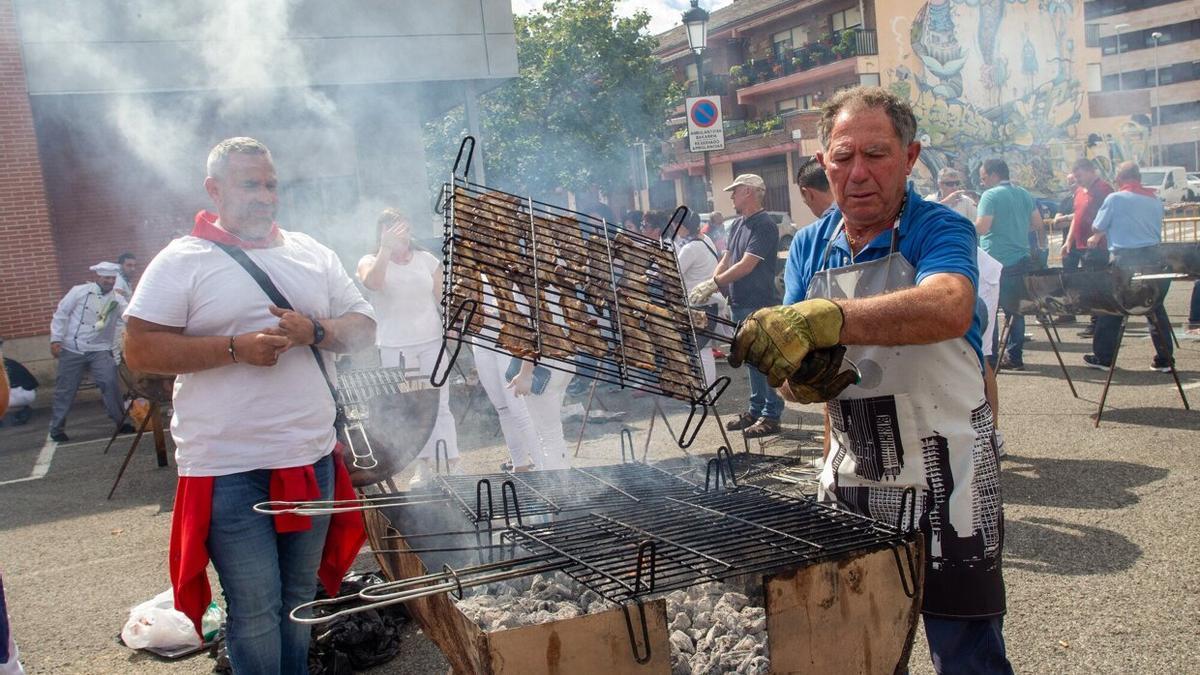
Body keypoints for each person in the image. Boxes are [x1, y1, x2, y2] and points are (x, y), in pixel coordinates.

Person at [764, 86, 1010, 673]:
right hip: (851, 476)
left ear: (910, 156)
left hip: (951, 474)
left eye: (876, 154)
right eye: (842, 156)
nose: (858, 172)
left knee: (966, 651)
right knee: (861, 648)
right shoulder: (808, 245)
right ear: (824, 162)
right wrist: (793, 380)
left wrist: (829, 317)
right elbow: (794, 366)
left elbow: (948, 306)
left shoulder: (941, 228)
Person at [123, 137, 376, 672]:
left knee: (299, 597)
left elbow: (364, 329)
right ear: (214, 190)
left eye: (270, 184)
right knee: (256, 608)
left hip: (309, 457)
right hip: (229, 466)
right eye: (249, 184)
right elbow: (139, 349)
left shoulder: (312, 251)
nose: (264, 196)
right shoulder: (182, 259)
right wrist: (234, 349)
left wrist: (315, 330)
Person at [358, 208, 459, 482]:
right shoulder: (369, 260)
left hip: (431, 342)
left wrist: (455, 327)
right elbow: (374, 284)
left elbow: (444, 299)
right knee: (412, 409)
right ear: (380, 232)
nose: (396, 233)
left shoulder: (426, 260)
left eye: (400, 227)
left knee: (441, 404)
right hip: (396, 347)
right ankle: (424, 466)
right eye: (389, 228)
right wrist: (385, 250)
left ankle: (452, 463)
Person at [690, 174, 781, 438]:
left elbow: (747, 264)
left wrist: (715, 282)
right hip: (740, 301)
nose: (731, 196)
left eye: (736, 191)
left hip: (759, 301)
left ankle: (771, 414)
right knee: (751, 361)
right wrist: (713, 283)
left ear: (750, 192)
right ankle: (755, 410)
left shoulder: (764, 225)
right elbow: (728, 258)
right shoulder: (739, 224)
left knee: (763, 360)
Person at [1083, 162, 1175, 372]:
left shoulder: (1115, 198)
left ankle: (1104, 357)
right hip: (1153, 256)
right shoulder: (1153, 198)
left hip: (1125, 258)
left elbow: (1098, 225)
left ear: (1119, 178)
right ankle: (1165, 359)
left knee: (1114, 306)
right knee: (1154, 306)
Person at [47, 261, 133, 442]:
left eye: (112, 278)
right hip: (73, 347)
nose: (109, 281)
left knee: (109, 382)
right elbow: (61, 314)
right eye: (106, 278)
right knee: (66, 389)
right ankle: (56, 428)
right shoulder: (79, 291)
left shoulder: (117, 300)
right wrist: (56, 339)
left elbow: (128, 316)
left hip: (100, 348)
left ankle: (121, 421)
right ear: (98, 277)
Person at [976, 157, 1041, 371]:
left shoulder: (990, 195)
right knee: (1016, 310)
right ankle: (1015, 357)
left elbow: (983, 228)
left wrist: (960, 225)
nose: (982, 182)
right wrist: (1016, 230)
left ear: (994, 175)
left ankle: (991, 359)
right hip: (1021, 258)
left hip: (995, 260)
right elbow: (1037, 224)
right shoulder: (1023, 193)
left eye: (984, 178)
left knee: (990, 309)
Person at [1061, 158, 1113, 332]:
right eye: (1075, 176)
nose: (1077, 179)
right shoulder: (1079, 191)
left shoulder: (1104, 189)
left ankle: (1097, 323)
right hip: (1079, 244)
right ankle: (1093, 320)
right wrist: (1069, 240)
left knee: (1096, 285)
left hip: (1097, 246)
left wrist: (1098, 235)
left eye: (1080, 175)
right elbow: (1077, 216)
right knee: (1084, 284)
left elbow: (1112, 216)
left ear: (1091, 171)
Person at [675, 210, 726, 385]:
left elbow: (674, 272)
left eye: (676, 226)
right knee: (703, 349)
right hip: (710, 302)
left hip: (698, 305)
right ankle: (707, 392)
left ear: (682, 227)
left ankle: (708, 393)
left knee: (701, 351)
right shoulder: (706, 239)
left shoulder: (690, 248)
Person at [2, 349, 38, 427]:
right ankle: (22, 410)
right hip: (30, 393)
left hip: (15, 395)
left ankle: (15, 415)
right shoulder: (9, 361)